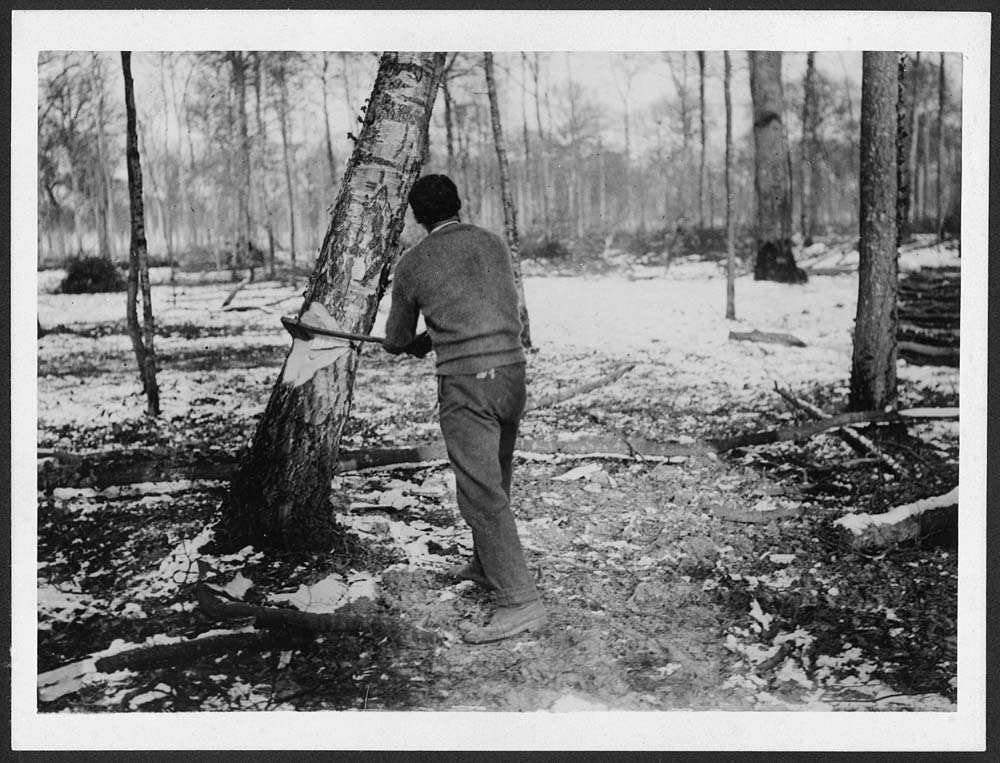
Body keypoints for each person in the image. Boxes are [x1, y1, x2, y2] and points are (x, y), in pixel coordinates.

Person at [383, 174, 546, 644]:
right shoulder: (492, 244)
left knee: (479, 492)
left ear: (416, 216)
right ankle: (485, 563)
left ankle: (519, 601)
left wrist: (416, 341)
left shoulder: (413, 263)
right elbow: (485, 305)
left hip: (467, 384)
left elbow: (394, 339)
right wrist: (437, 334)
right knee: (495, 476)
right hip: (512, 376)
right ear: (459, 204)